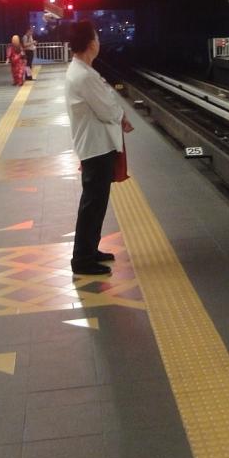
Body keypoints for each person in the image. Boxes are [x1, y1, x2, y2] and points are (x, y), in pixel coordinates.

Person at [64, 20, 133, 277]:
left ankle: (90, 250)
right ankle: (82, 259)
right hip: (96, 147)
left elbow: (106, 103)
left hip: (96, 145)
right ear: (91, 43)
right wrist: (120, 114)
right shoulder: (83, 75)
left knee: (96, 203)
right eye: (97, 37)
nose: (99, 42)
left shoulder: (82, 70)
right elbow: (107, 109)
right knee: (92, 204)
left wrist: (117, 112)